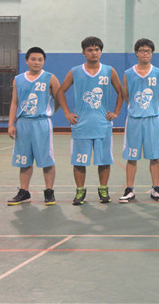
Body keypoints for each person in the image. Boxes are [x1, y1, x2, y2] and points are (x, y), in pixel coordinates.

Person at [57, 36, 123, 205]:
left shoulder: (109, 70)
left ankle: (103, 190)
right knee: (79, 162)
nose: (94, 53)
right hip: (81, 125)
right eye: (90, 50)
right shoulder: (75, 71)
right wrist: (67, 113)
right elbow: (60, 91)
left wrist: (116, 112)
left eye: (97, 49)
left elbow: (121, 92)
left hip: (102, 125)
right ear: (83, 52)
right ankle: (80, 191)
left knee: (104, 161)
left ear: (101, 51)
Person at [7, 47, 61, 206]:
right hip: (23, 123)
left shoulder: (50, 78)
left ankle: (49, 191)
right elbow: (14, 103)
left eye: (40, 59)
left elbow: (59, 99)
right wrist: (11, 124)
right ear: (26, 60)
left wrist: (49, 112)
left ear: (44, 61)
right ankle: (24, 192)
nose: (37, 62)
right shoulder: (18, 79)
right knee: (24, 160)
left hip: (41, 123)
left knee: (46, 159)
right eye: (33, 59)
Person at [119, 38, 159, 203]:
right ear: (136, 53)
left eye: (148, 51)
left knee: (154, 156)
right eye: (142, 51)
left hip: (152, 119)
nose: (145, 54)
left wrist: (149, 108)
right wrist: (138, 107)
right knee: (132, 156)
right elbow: (126, 95)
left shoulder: (158, 73)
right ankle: (129, 189)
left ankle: (156, 188)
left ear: (152, 53)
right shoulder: (128, 73)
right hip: (134, 119)